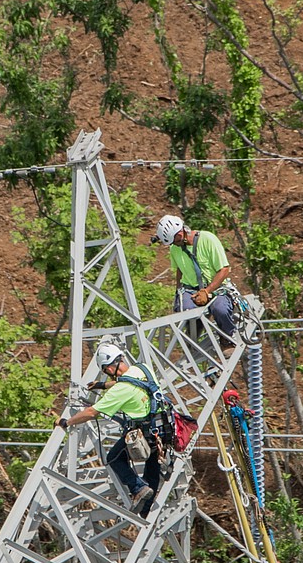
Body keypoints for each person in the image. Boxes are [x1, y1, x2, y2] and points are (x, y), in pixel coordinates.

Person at [57, 343, 161, 516]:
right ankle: (146, 508)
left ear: (110, 367)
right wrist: (102, 385)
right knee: (153, 463)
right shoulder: (142, 369)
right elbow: (128, 379)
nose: (107, 374)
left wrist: (66, 422)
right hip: (163, 427)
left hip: (147, 431)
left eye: (106, 371)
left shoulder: (120, 391)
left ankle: (137, 488)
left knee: (114, 458)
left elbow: (91, 412)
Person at [153, 214, 237, 347]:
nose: (176, 244)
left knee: (220, 309)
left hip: (216, 287)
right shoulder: (175, 249)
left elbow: (224, 270)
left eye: (176, 240)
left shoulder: (208, 239)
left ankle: (227, 337)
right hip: (191, 288)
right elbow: (180, 270)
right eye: (173, 243)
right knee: (185, 309)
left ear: (181, 232)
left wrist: (208, 291)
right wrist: (178, 292)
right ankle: (194, 332)